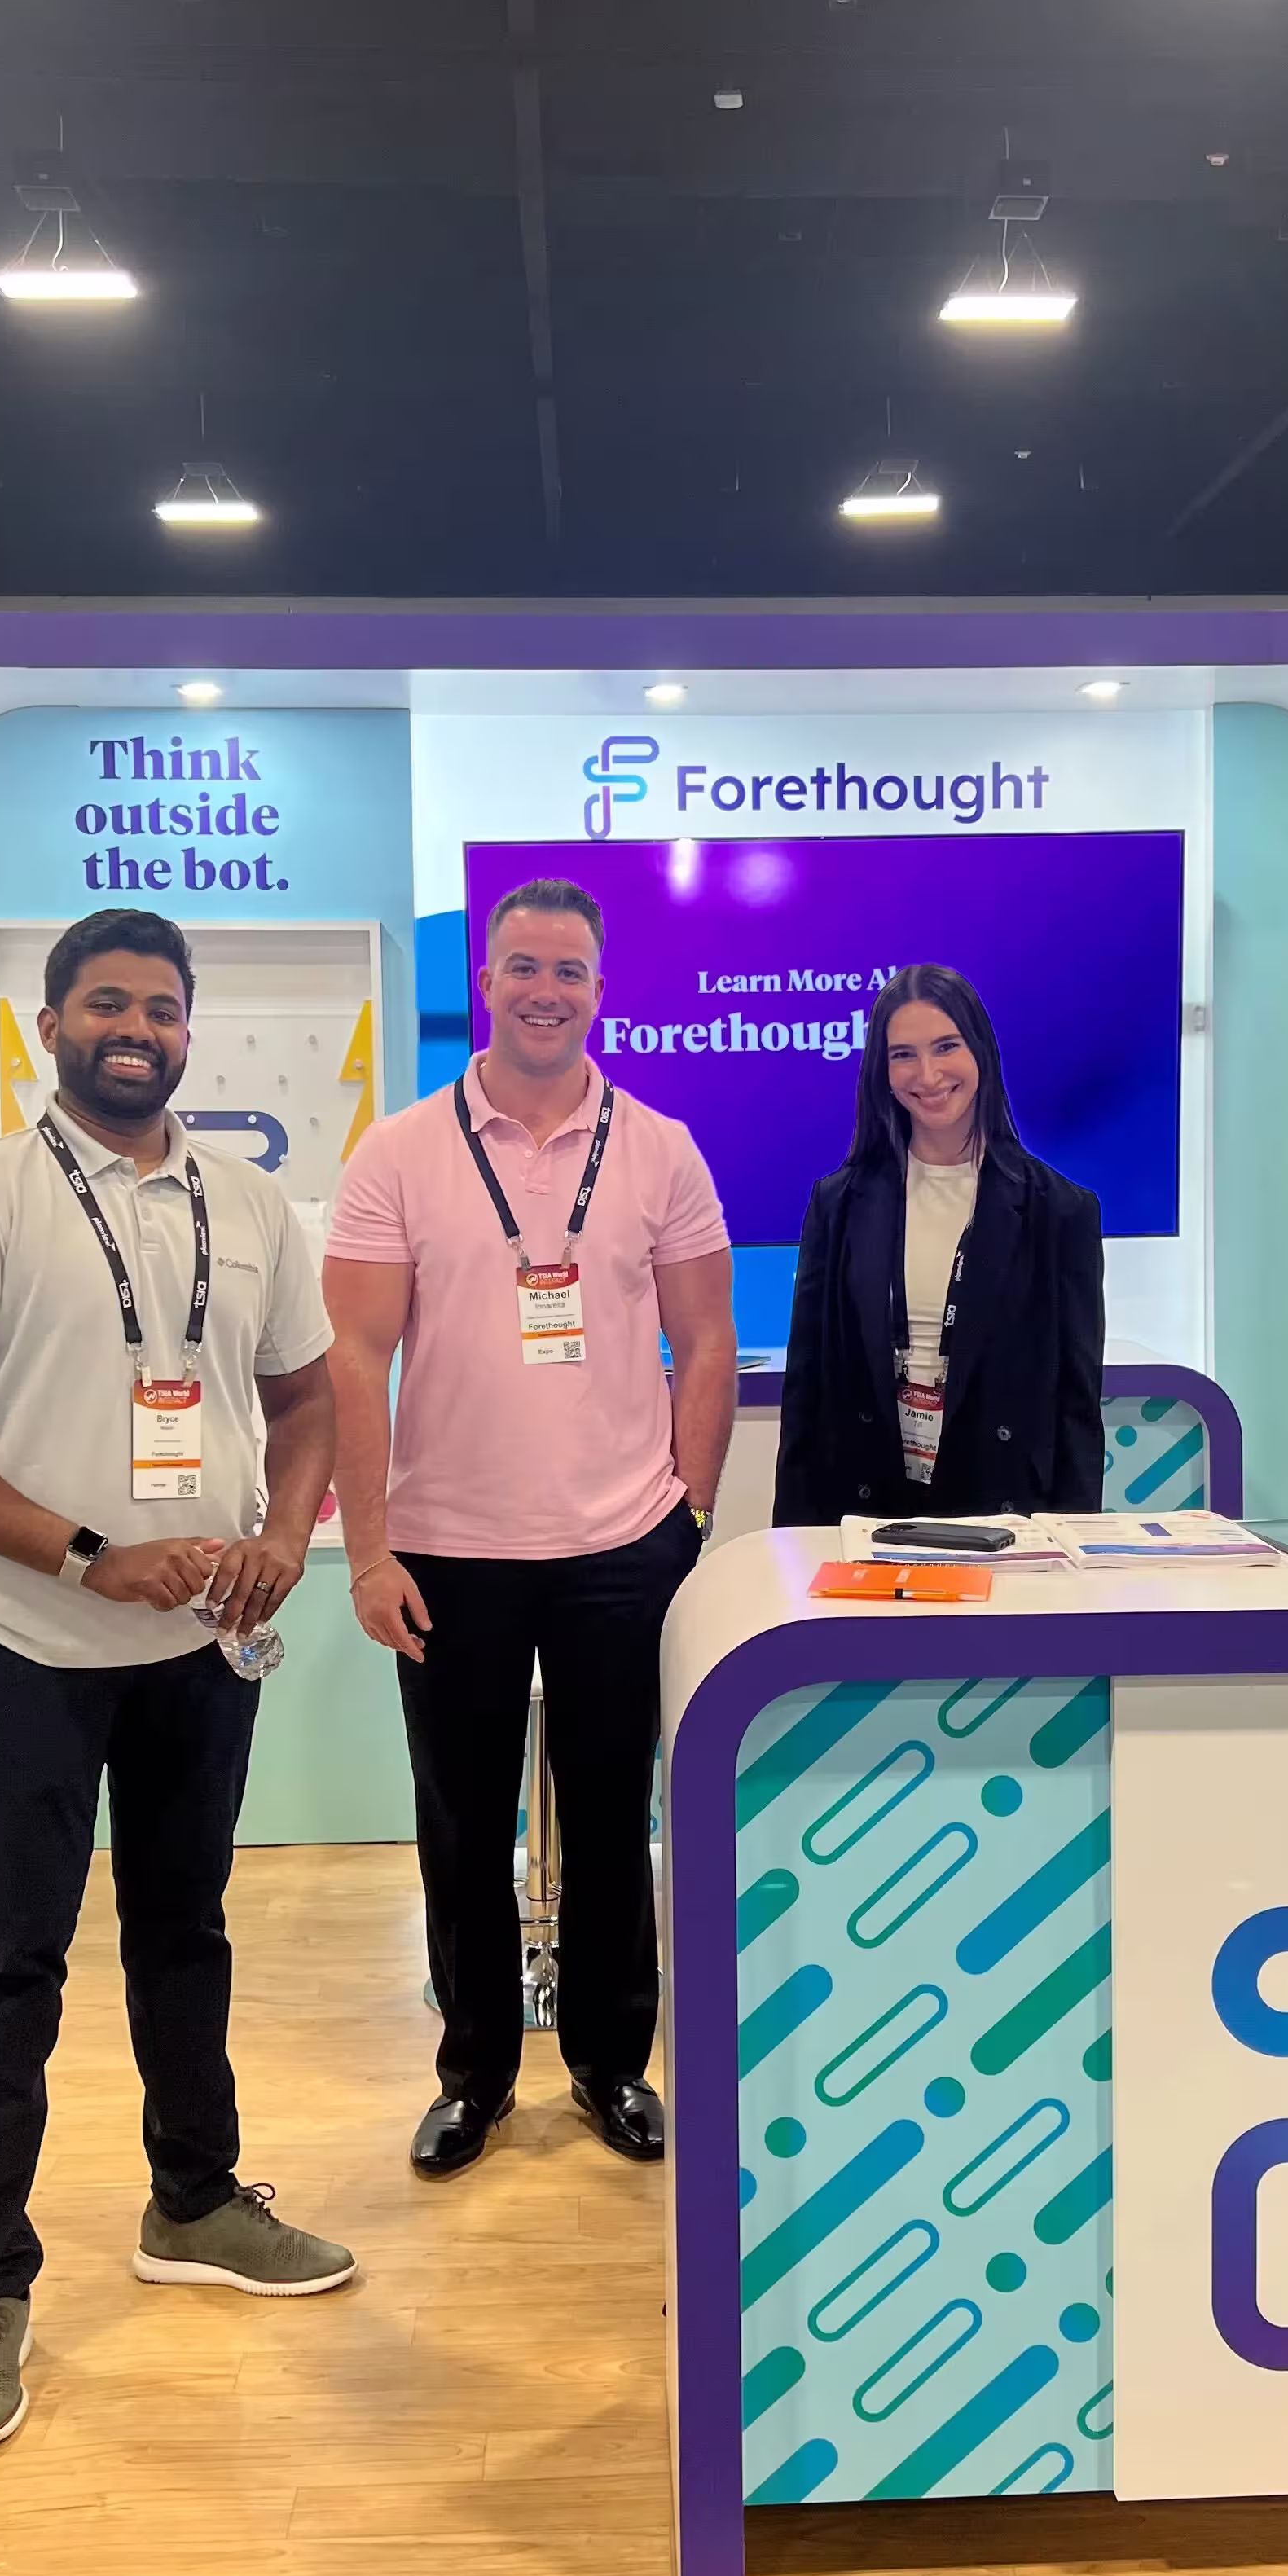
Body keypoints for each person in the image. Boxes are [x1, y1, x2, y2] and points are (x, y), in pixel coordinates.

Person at [0, 908, 351, 2459]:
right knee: (13, 1958)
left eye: (159, 1007)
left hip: (200, 1645)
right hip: (30, 1642)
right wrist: (87, 1556)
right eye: (105, 1003)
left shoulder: (247, 1202)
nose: (134, 1028)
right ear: (50, 1024)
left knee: (183, 1929)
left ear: (188, 1029)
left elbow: (306, 1400)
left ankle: (192, 2198)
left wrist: (284, 1532)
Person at [323, 877, 736, 2179]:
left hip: (624, 1549)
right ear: (486, 983)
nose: (545, 990)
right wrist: (371, 1549)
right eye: (522, 966)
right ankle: (476, 2078)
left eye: (568, 970)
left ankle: (612, 2066)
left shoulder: (660, 1147)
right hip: (448, 1552)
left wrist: (692, 1511)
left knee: (616, 1820)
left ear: (599, 992)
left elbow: (707, 1340)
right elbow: (353, 1356)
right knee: (461, 1827)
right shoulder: (400, 1151)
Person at [774, 963, 1104, 1526]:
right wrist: (792, 1539)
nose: (927, 1075)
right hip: (867, 1512)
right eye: (903, 1054)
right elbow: (807, 1391)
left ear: (980, 1052)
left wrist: (1074, 1539)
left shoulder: (1059, 1210)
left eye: (946, 1046)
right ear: (882, 1072)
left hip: (1003, 1518)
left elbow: (1077, 1407)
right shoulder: (839, 1203)